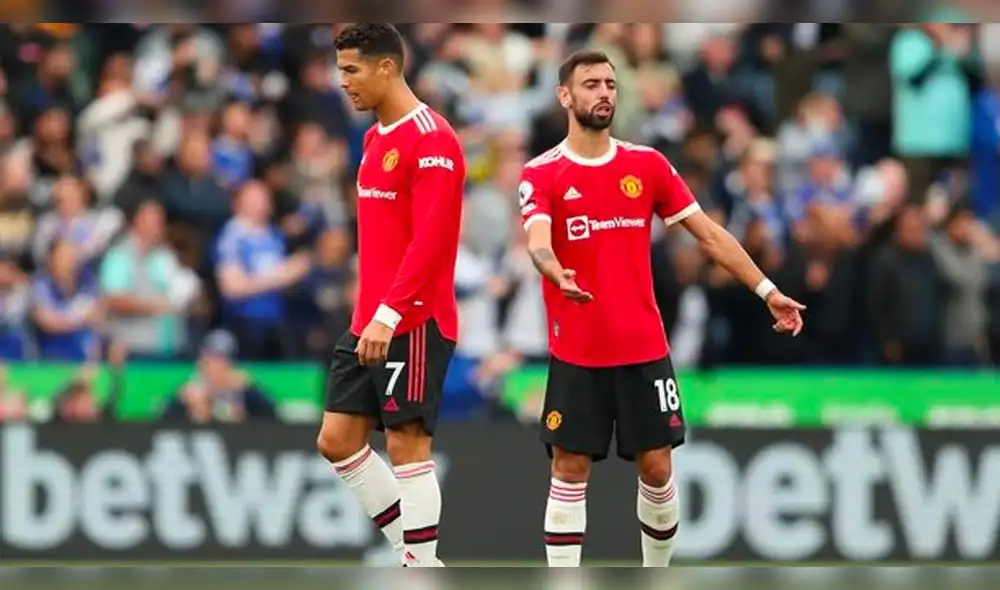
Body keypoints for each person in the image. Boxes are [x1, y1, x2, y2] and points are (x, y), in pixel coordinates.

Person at [518, 50, 806, 568]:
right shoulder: (543, 173)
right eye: (590, 84)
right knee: (569, 466)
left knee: (656, 468)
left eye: (609, 83)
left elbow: (710, 237)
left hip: (642, 347)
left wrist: (767, 290)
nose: (603, 92)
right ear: (565, 96)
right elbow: (538, 235)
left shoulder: (645, 165)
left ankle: (657, 575)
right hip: (577, 351)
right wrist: (551, 267)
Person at [315, 24, 466, 568]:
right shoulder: (374, 138)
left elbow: (431, 240)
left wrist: (389, 313)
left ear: (387, 67)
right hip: (369, 318)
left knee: (407, 445)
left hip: (414, 318)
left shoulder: (433, 139)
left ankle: (420, 568)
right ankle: (419, 557)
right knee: (336, 439)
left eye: (351, 70)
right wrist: (370, 315)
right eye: (340, 71)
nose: (344, 83)